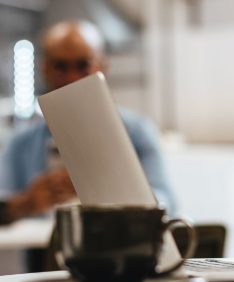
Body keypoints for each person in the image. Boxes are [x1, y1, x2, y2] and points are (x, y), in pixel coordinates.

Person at [0, 20, 176, 224]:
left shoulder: (137, 132)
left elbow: (166, 202)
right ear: (45, 69)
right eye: (61, 66)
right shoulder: (23, 142)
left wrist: (110, 192)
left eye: (83, 65)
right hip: (43, 253)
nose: (72, 77)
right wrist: (26, 203)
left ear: (102, 66)